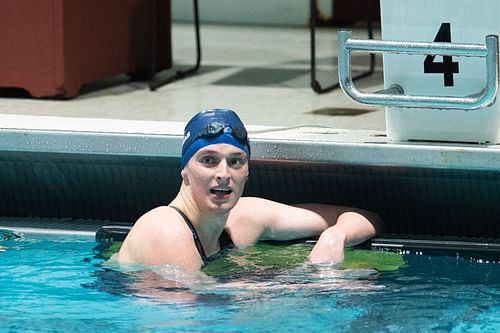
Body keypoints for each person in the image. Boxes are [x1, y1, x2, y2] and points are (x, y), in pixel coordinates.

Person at [115, 109, 382, 271]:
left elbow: (366, 218)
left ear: (247, 172)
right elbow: (199, 313)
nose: (223, 174)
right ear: (185, 170)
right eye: (208, 160)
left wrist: (334, 238)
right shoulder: (164, 229)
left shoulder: (244, 218)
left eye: (235, 162)